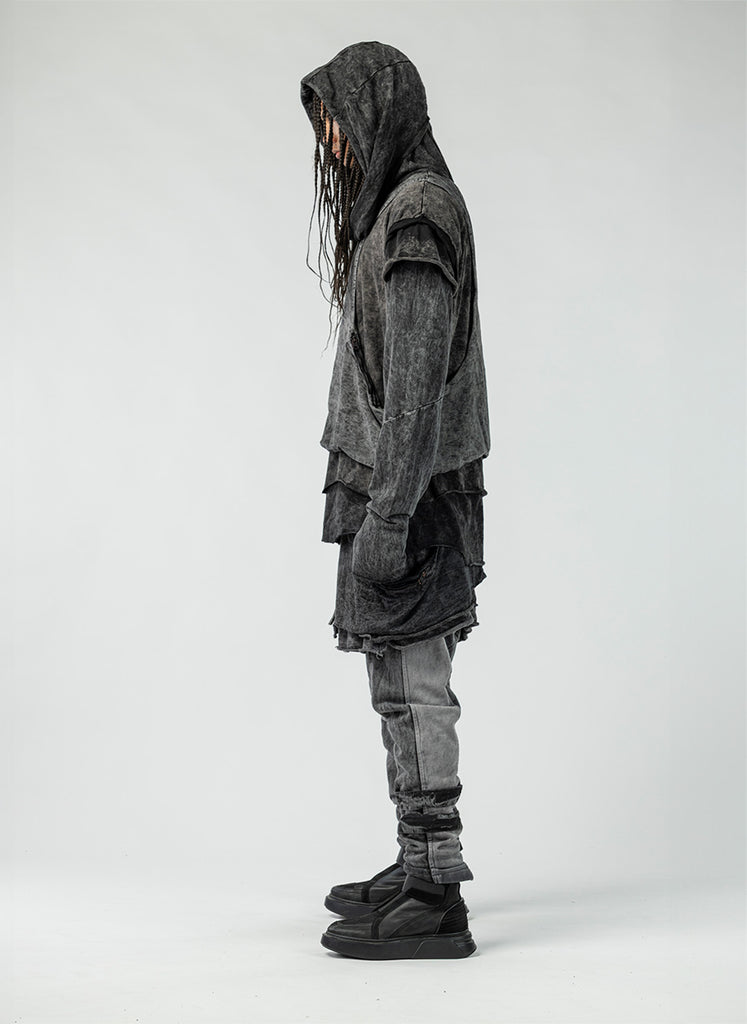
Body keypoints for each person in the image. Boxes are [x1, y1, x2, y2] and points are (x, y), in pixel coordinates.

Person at [300, 41, 490, 960]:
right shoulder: (395, 210)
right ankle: (415, 859)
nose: (331, 141)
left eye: (338, 119)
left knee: (416, 688)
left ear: (379, 111)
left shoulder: (416, 214)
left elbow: (416, 386)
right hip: (390, 488)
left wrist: (388, 514)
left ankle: (435, 892)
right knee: (396, 684)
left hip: (407, 499)